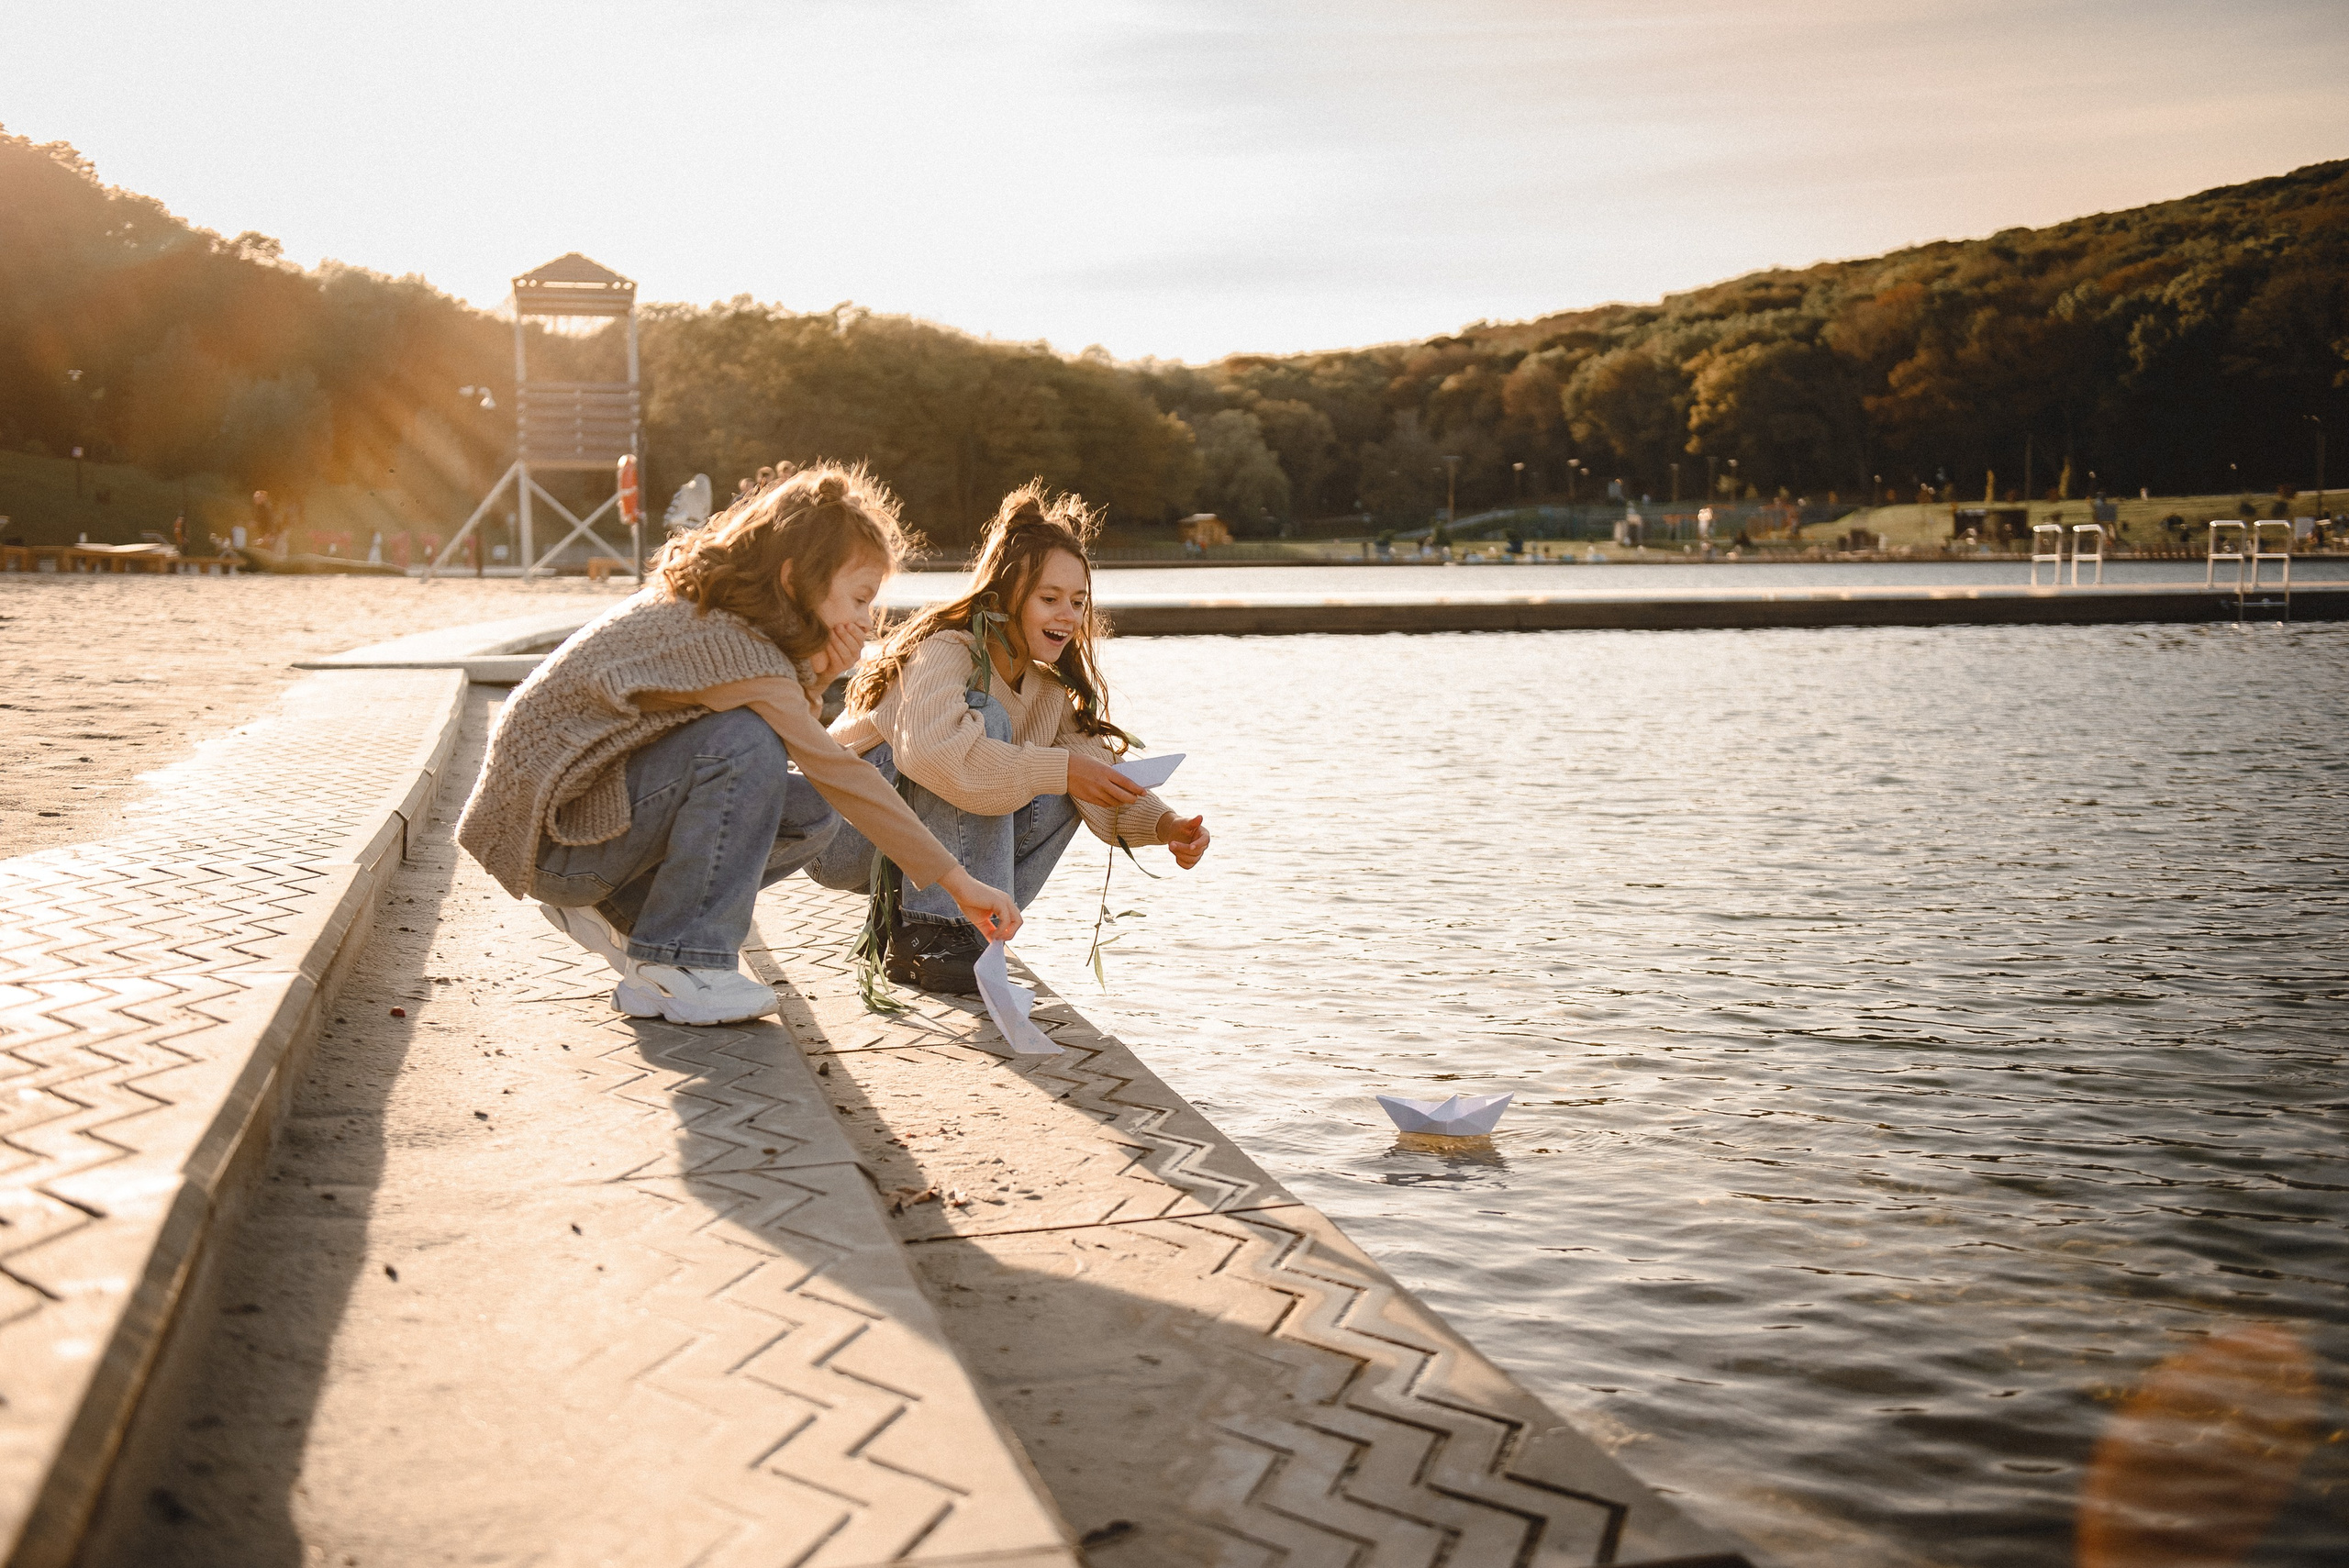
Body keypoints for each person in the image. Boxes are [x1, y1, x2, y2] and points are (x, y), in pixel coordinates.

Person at [455, 463, 1021, 1026]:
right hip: (550, 842)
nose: (867, 623)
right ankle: (682, 963)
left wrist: (821, 677)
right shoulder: (728, 643)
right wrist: (959, 883)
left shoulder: (733, 627)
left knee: (809, 811)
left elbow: (804, 749)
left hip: (572, 830)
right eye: (859, 598)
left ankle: (639, 929)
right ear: (794, 578)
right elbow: (840, 771)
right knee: (745, 746)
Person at [811, 484, 1210, 995]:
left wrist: (1165, 825)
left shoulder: (1047, 693)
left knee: (1066, 773)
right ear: (1007, 595)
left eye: (1078, 601)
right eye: (1050, 599)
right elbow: (934, 756)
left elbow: (1094, 771)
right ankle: (937, 934)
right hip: (836, 832)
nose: (1068, 614)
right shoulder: (946, 650)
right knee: (989, 724)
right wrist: (1057, 769)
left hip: (905, 857)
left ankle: (957, 929)